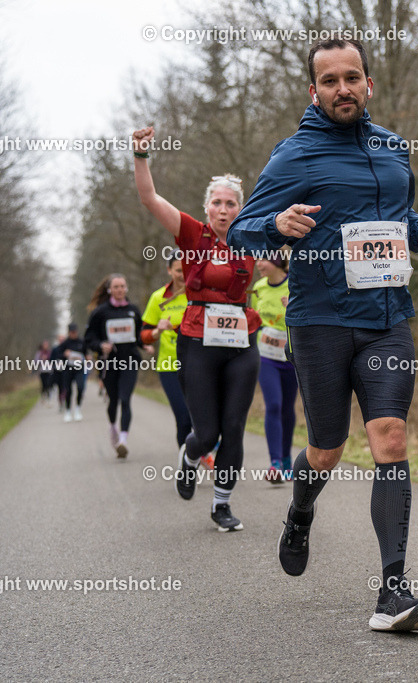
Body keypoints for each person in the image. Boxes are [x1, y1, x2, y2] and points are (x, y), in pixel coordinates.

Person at [228, 39, 418, 631]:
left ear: (368, 84)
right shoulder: (295, 155)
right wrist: (276, 224)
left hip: (387, 320)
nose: (342, 88)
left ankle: (393, 593)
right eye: (330, 81)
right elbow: (241, 230)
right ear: (314, 92)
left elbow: (394, 216)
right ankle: (301, 510)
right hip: (320, 322)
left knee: (390, 436)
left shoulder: (392, 147)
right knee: (327, 449)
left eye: (352, 77)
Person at [132, 127, 260, 532]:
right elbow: (150, 199)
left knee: (234, 429)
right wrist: (140, 155)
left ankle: (222, 505)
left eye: (231, 203)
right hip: (198, 340)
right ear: (207, 208)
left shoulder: (251, 235)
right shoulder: (191, 232)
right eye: (217, 203)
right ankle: (189, 458)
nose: (223, 210)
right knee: (206, 433)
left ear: (240, 208)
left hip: (241, 340)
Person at [84, 274, 146, 458]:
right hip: (109, 363)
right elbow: (89, 338)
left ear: (126, 288)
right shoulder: (100, 312)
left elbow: (139, 334)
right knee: (114, 400)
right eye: (116, 287)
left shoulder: (133, 310)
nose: (120, 290)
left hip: (130, 361)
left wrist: (145, 345)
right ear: (109, 289)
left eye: (122, 286)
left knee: (125, 399)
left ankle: (123, 441)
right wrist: (100, 345)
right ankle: (113, 428)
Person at [250, 252, 297, 484]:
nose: (258, 264)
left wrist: (293, 309)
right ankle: (275, 463)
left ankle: (287, 460)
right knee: (274, 404)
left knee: (287, 408)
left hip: (290, 356)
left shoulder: (295, 284)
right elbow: (253, 321)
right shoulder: (258, 288)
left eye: (264, 259)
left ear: (278, 262)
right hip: (266, 355)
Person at [141, 257, 192, 458]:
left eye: (186, 269)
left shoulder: (199, 293)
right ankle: (187, 464)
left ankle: (201, 452)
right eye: (178, 270)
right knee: (183, 418)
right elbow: (144, 334)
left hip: (200, 365)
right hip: (170, 366)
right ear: (169, 270)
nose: (183, 275)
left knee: (202, 418)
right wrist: (157, 331)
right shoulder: (158, 297)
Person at [55, 323, 88, 422]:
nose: (74, 333)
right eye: (72, 332)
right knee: (68, 390)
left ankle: (78, 408)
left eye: (75, 332)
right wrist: (64, 354)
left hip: (79, 369)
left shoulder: (82, 342)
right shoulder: (65, 343)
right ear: (69, 332)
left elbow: (86, 353)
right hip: (67, 369)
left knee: (80, 387)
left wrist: (87, 357)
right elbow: (58, 355)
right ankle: (68, 411)